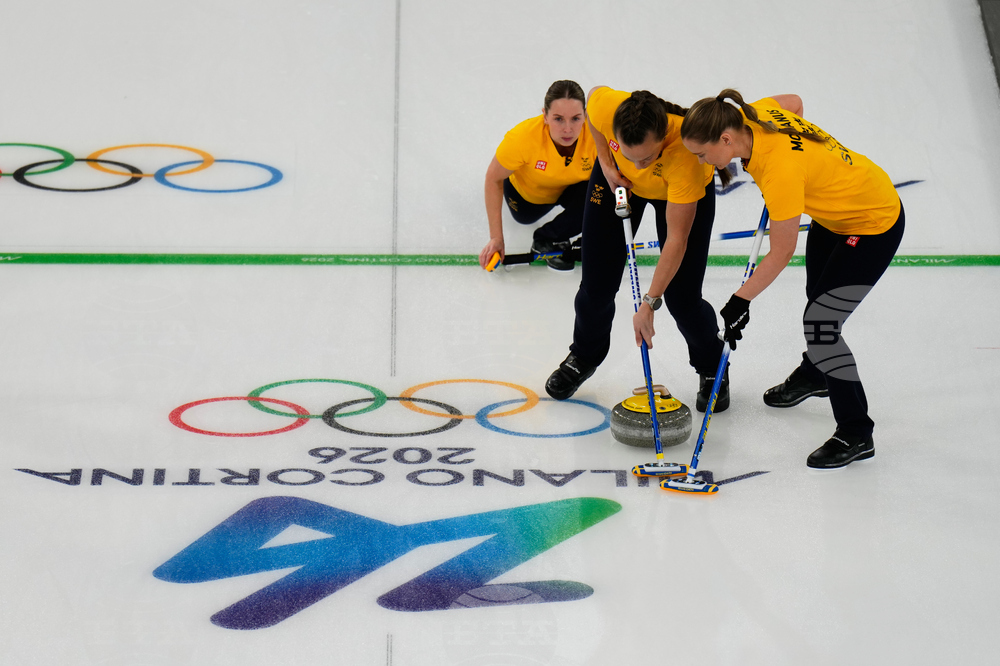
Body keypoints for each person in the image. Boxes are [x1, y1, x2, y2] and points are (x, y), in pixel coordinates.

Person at [680, 89, 904, 469]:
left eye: (701, 154)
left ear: (726, 139)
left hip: (872, 221)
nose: (700, 161)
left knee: (821, 323)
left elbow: (781, 252)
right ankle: (817, 372)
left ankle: (855, 432)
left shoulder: (779, 171)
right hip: (834, 212)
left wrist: (739, 301)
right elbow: (795, 102)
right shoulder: (756, 112)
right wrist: (804, 169)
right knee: (816, 297)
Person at [544, 87, 728, 412]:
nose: (639, 164)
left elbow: (676, 240)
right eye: (630, 155)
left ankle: (713, 367)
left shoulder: (685, 157)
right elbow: (595, 113)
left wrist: (649, 304)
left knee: (683, 300)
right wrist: (607, 161)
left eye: (647, 157)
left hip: (675, 192)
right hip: (617, 182)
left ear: (662, 139)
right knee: (595, 287)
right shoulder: (606, 107)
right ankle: (584, 355)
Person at [478, 80, 597, 272]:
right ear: (545, 116)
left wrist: (598, 231)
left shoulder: (596, 135)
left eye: (576, 118)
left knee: (603, 193)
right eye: (558, 119)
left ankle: (549, 237)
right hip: (529, 200)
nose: (568, 129)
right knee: (525, 217)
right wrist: (496, 238)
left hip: (571, 188)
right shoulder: (522, 138)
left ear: (585, 115)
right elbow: (493, 178)